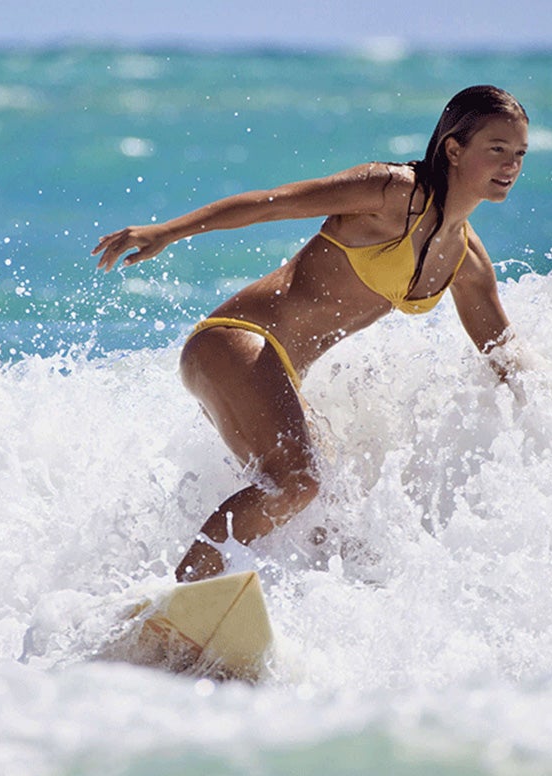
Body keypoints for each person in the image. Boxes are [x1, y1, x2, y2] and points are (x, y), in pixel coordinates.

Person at [93, 84, 529, 582]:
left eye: (519, 153)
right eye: (496, 149)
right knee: (296, 481)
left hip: (274, 372)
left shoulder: (466, 259)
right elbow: (269, 204)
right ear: (454, 149)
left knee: (336, 528)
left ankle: (210, 617)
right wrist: (166, 231)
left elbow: (506, 358)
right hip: (235, 340)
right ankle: (180, 599)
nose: (510, 164)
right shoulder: (392, 192)